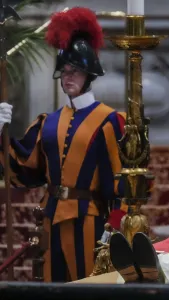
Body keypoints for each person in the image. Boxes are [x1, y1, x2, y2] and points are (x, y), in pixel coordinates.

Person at [0, 7, 126, 282]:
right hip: (50, 219)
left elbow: (120, 186)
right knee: (51, 287)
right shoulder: (48, 122)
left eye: (76, 71)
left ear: (89, 74)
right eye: (65, 71)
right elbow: (24, 170)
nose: (68, 77)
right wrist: (1, 134)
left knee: (87, 288)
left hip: (90, 223)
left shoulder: (109, 121)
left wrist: (114, 228)